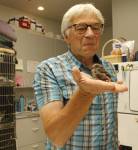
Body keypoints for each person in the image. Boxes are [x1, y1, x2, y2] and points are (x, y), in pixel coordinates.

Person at [33, 3, 128, 150]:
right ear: (66, 36)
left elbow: (110, 119)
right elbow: (56, 135)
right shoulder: (49, 68)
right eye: (81, 28)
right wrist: (85, 93)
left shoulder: (107, 67)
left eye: (96, 27)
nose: (90, 34)